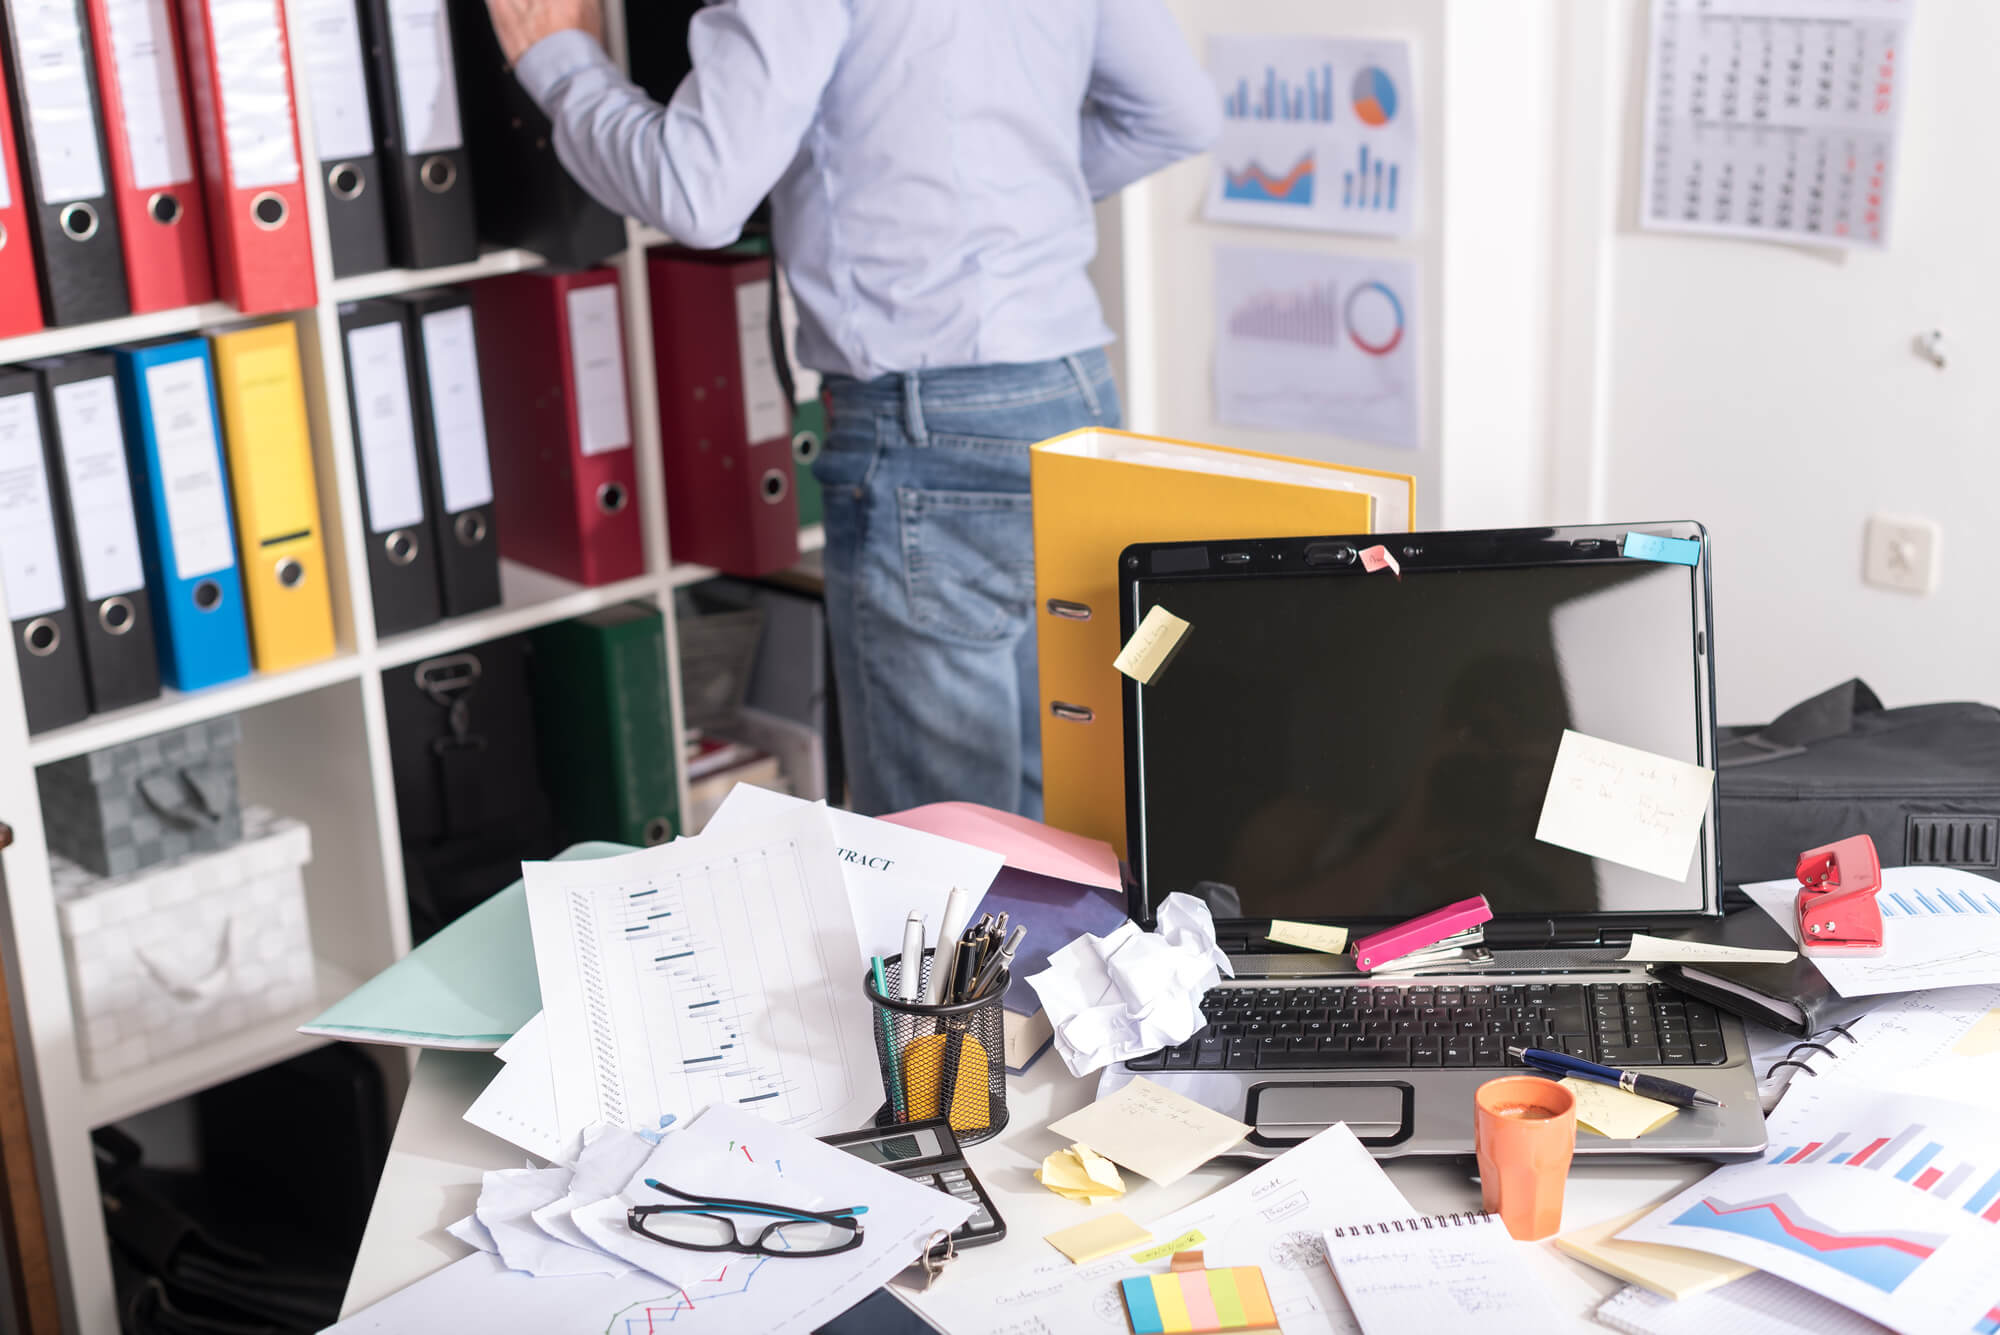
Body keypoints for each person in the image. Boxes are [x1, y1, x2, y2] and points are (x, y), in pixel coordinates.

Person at [484, 0, 1219, 817]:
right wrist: (1000, 201)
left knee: (943, 858)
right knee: (1054, 820)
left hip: (930, 422)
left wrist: (558, 61)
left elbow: (696, 192)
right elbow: (1178, 114)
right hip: (1073, 394)